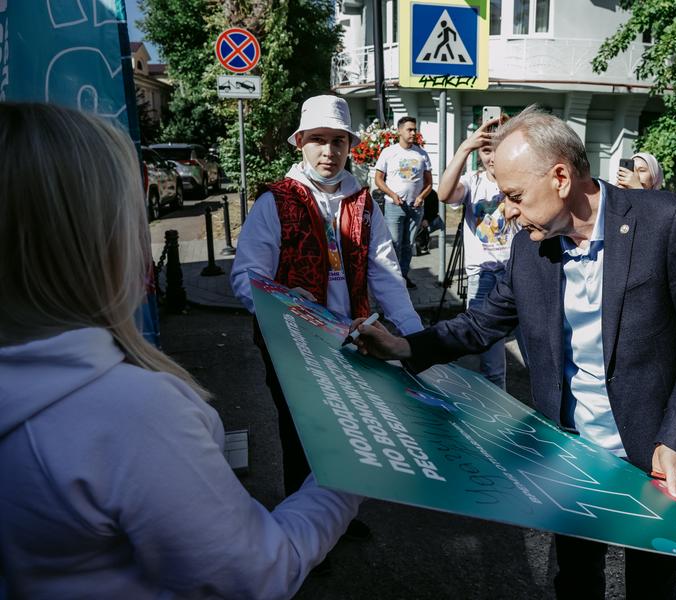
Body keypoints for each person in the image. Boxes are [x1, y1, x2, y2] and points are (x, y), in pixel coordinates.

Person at [350, 106, 676, 599]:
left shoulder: (666, 221)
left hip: (654, 454)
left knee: (651, 587)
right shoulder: (530, 247)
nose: (506, 211)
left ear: (561, 178)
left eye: (515, 196)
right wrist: (404, 345)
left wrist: (675, 440)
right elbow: (483, 322)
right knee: (575, 581)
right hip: (572, 456)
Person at [0, 102, 361, 598]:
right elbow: (256, 574)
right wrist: (350, 475)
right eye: (133, 214)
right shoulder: (132, 413)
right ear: (96, 238)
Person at [230, 96, 423, 509]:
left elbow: (386, 273)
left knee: (349, 434)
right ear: (300, 142)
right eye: (318, 139)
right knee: (301, 435)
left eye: (338, 141)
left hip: (351, 342)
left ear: (349, 145)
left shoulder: (363, 203)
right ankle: (300, 522)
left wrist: (415, 337)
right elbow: (246, 276)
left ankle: (338, 514)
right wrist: (281, 302)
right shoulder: (275, 202)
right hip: (293, 347)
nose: (329, 151)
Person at [436, 116, 519, 389]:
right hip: (483, 278)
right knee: (492, 366)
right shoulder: (472, 181)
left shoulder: (521, 181)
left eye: (498, 148)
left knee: (539, 357)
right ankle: (497, 412)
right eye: (485, 150)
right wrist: (465, 147)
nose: (492, 157)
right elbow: (444, 195)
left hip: (519, 275)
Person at [374, 116, 433, 289]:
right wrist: (392, 194)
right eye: (409, 129)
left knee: (408, 245)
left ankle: (403, 277)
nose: (413, 133)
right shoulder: (389, 152)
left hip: (416, 207)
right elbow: (378, 179)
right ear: (399, 131)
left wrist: (421, 197)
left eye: (415, 129)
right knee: (394, 244)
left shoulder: (421, 154)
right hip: (394, 206)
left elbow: (429, 182)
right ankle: (392, 278)